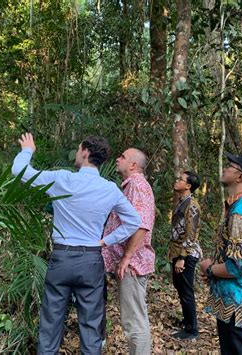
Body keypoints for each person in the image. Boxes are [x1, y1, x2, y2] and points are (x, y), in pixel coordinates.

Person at [11, 133, 141, 355]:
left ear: (85, 152)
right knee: (91, 325)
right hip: (91, 260)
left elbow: (20, 171)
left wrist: (27, 151)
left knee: (51, 322)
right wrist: (105, 241)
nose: (76, 153)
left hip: (61, 259)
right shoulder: (110, 189)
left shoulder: (63, 179)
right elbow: (134, 222)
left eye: (79, 149)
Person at [200, 153, 242, 355]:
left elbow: (238, 266)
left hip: (239, 300)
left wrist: (209, 268)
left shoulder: (241, 213)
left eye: (230, 166)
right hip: (238, 298)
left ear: (240, 176)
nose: (225, 168)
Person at [102, 148, 155, 355]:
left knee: (134, 323)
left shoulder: (137, 185)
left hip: (133, 265)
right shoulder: (130, 186)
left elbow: (142, 225)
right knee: (132, 321)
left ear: (133, 165)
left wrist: (127, 257)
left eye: (122, 157)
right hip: (129, 264)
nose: (117, 158)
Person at [170, 171, 202, 340]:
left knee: (186, 290)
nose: (177, 181)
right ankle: (187, 322)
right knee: (181, 288)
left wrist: (182, 257)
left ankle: (191, 329)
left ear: (188, 186)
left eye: (180, 179)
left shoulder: (192, 205)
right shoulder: (182, 202)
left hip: (187, 254)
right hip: (178, 252)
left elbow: (192, 234)